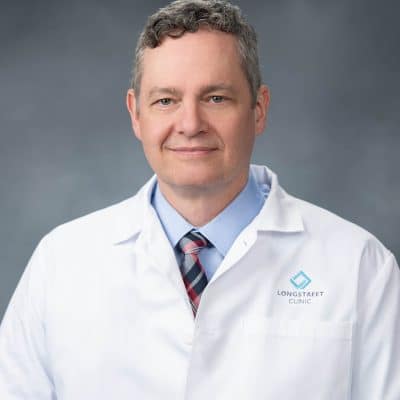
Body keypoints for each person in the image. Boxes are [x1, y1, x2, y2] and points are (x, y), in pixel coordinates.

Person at [0, 0, 399, 398]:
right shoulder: (61, 264)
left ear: (259, 110)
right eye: (166, 101)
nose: (190, 125)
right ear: (136, 114)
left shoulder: (358, 266)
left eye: (215, 98)